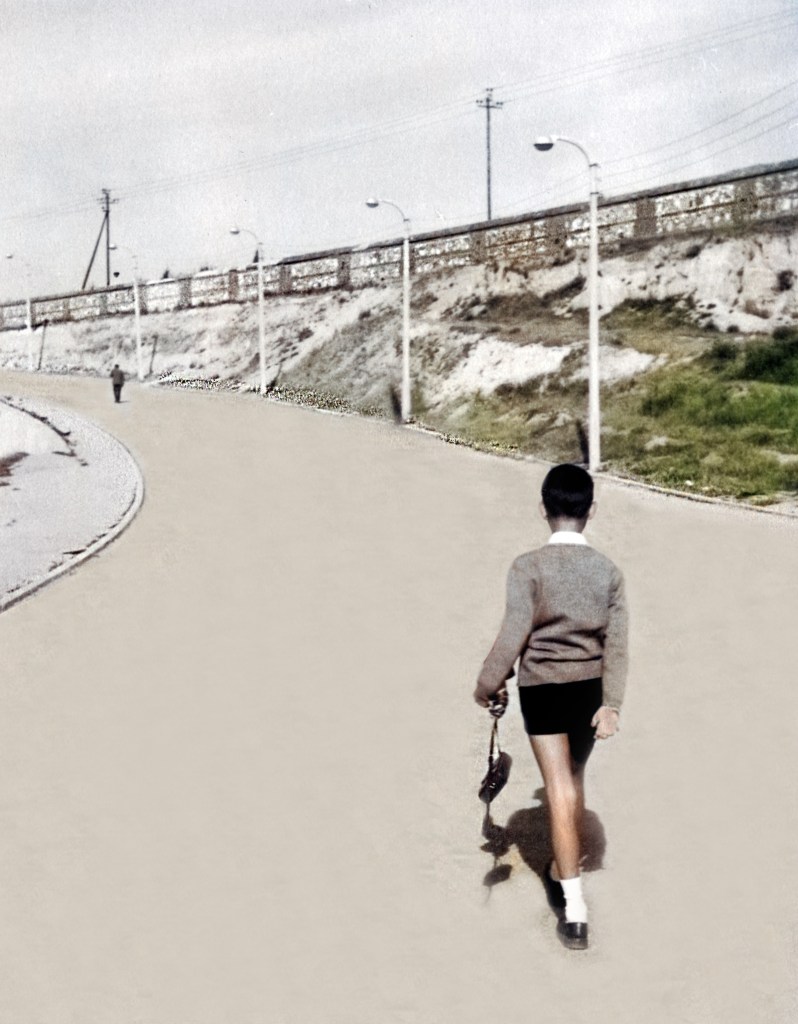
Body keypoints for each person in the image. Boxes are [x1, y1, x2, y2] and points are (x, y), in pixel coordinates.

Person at [473, 463, 628, 951]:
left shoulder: (528, 567)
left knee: (557, 787)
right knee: (573, 781)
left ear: (543, 509)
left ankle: (574, 911)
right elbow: (617, 645)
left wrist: (487, 683)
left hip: (542, 689)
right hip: (588, 692)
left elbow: (514, 632)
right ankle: (564, 868)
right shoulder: (608, 571)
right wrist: (611, 704)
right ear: (591, 511)